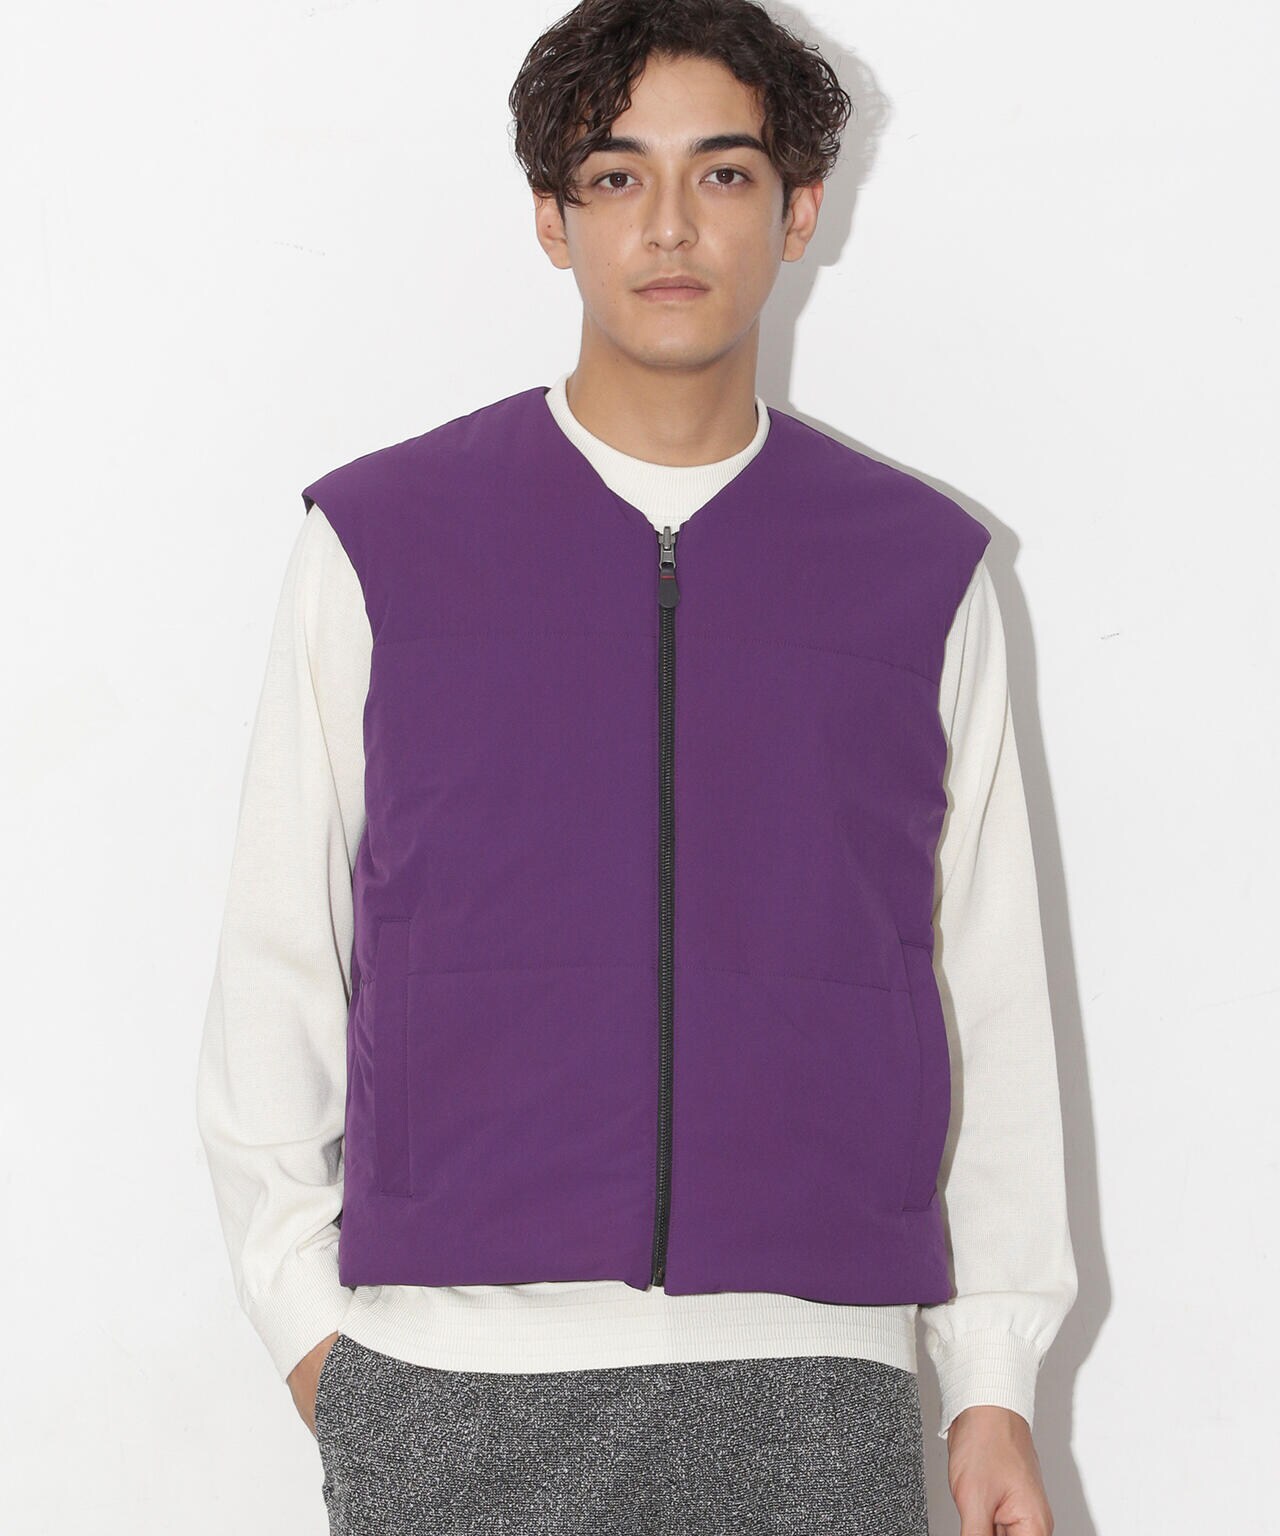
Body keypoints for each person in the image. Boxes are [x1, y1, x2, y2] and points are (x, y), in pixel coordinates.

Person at [196, 2, 1077, 1532]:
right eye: (616, 177)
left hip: (815, 1388)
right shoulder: (382, 545)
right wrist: (323, 1350)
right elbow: (278, 961)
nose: (670, 225)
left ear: (799, 210)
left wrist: (991, 1377)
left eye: (723, 174)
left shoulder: (920, 575)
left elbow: (989, 988)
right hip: (453, 1391)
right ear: (553, 218)